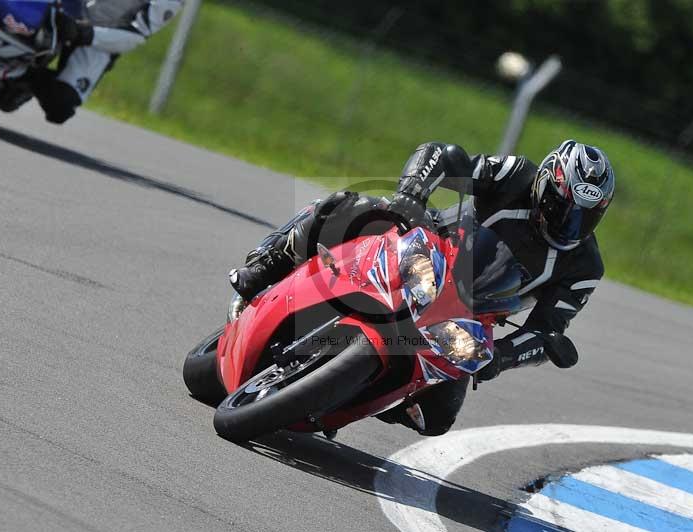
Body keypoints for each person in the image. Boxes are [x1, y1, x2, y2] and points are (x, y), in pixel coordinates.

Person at [229, 139, 615, 435]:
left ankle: (360, 399)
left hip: (465, 317)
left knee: (437, 418)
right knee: (352, 206)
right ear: (545, 184)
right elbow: (445, 156)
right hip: (427, 248)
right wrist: (412, 194)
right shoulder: (516, 174)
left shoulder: (585, 267)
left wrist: (503, 356)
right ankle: (267, 266)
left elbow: (547, 331)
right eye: (563, 208)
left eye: (584, 218)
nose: (569, 224)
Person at [0, 0, 184, 124]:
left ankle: (23, 79)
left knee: (60, 106)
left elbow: (137, 35)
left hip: (98, 34)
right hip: (60, 5)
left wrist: (87, 33)